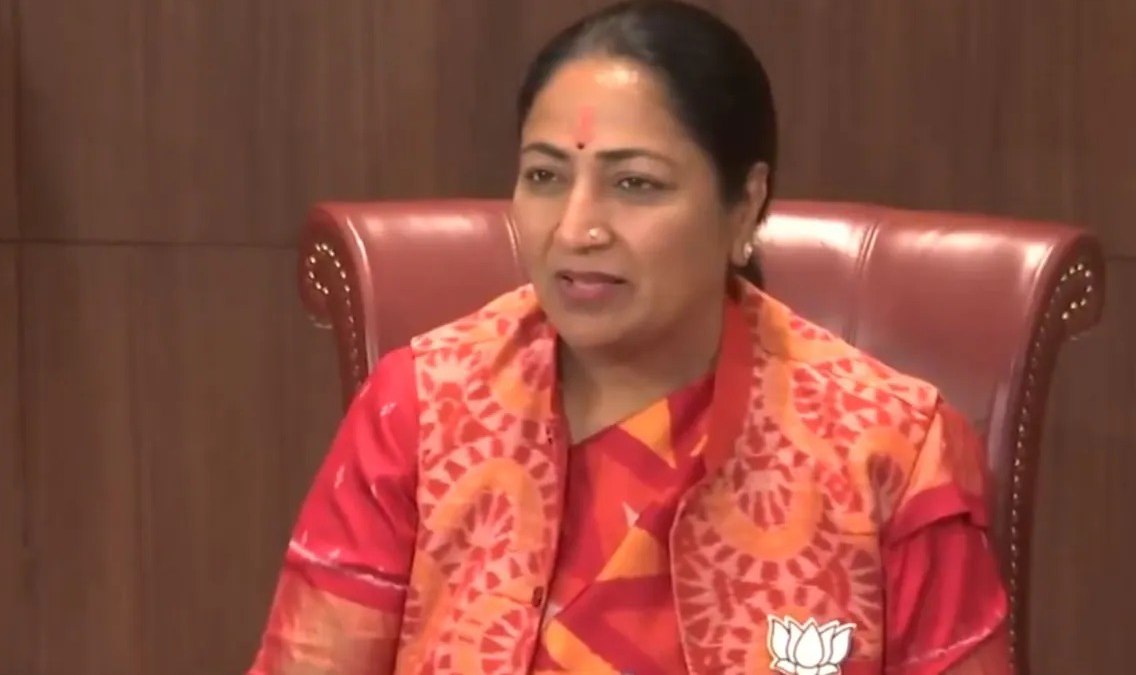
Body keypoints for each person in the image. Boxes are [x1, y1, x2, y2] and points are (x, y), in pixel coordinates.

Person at [248, 1, 1011, 673]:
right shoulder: (420, 411)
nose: (576, 228)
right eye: (545, 177)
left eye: (634, 183)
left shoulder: (889, 448)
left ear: (745, 205)